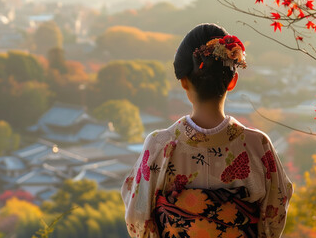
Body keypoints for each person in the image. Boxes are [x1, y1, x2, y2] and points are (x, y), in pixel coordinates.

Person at [121, 23, 293, 238]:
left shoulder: (160, 145)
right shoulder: (259, 146)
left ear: (184, 82)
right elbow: (274, 216)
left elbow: (138, 218)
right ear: (232, 81)